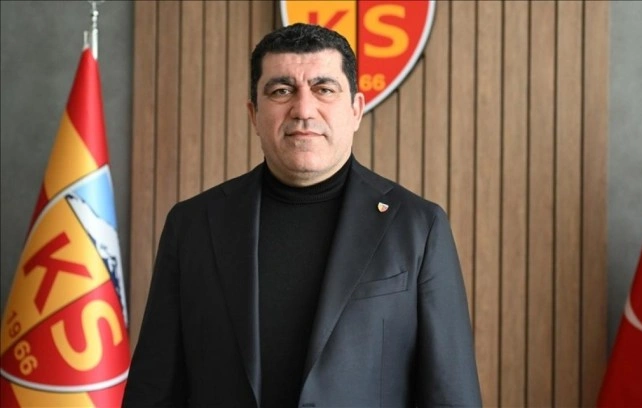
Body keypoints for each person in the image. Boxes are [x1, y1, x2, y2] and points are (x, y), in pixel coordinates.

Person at [122, 23, 481, 407]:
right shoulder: (192, 225)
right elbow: (153, 391)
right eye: (281, 91)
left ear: (356, 110)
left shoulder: (418, 227)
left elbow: (451, 395)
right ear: (253, 113)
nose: (304, 110)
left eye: (324, 89)